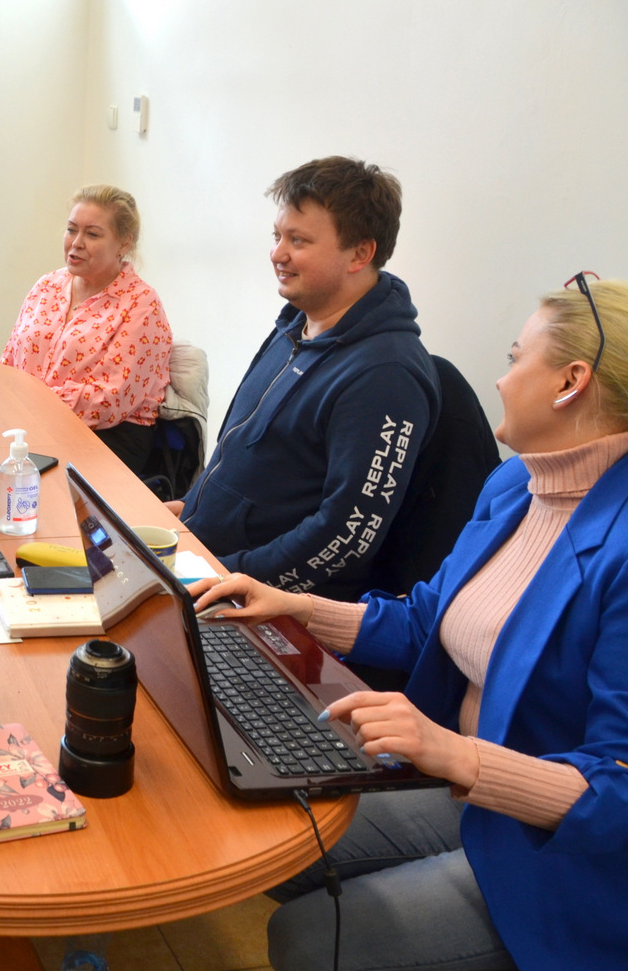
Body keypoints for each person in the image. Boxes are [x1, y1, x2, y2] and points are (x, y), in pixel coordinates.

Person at [191, 275, 628, 971]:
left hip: (566, 854)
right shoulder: (518, 484)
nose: (500, 375)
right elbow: (431, 619)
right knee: (259, 837)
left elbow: (619, 791)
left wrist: (457, 754)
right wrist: (298, 607)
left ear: (571, 381)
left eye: (517, 358)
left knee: (307, 941)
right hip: (470, 793)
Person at [174, 157, 440, 601]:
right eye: (278, 236)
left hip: (258, 601)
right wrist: (190, 508)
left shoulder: (386, 375)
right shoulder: (297, 324)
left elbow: (345, 534)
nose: (278, 254)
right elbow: (248, 457)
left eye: (298, 241)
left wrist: (229, 580)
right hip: (201, 559)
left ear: (361, 253)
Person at [0, 184, 172, 475]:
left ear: (124, 243)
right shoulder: (47, 286)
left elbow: (112, 400)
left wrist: (33, 406)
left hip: (105, 440)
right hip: (31, 427)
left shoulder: (141, 304)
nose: (76, 242)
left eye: (92, 234)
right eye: (71, 230)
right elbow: (10, 360)